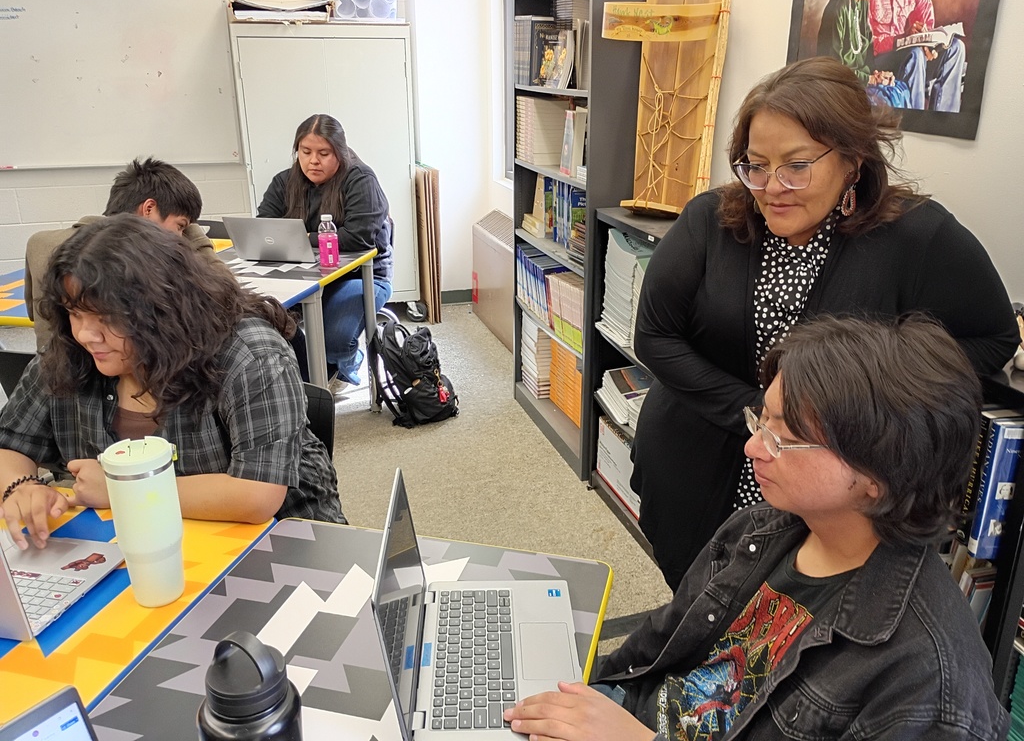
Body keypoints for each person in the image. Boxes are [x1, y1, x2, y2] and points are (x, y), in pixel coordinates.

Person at [506, 315, 1010, 740]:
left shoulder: (929, 684)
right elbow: (658, 643)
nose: (753, 448)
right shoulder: (760, 528)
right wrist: (574, 686)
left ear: (878, 476)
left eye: (783, 439)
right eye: (760, 421)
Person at [630, 56, 1018, 591]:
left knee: (798, 623)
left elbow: (994, 336)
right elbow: (655, 335)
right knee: (700, 600)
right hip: (701, 463)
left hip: (832, 489)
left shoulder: (917, 237)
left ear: (852, 162)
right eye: (756, 164)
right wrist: (755, 414)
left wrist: (877, 393)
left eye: (796, 165)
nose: (771, 187)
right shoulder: (710, 221)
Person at [0, 216, 344, 551]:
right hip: (139, 547)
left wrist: (125, 490)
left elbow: (257, 495)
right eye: (75, 313)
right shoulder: (69, 354)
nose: (87, 334)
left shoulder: (249, 353)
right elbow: (11, 444)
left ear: (162, 309)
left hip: (278, 548)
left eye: (107, 318)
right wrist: (21, 487)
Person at [24, 157, 216, 351]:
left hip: (46, 367)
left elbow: (35, 313)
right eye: (181, 226)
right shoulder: (142, 255)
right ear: (149, 209)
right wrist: (195, 235)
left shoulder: (39, 242)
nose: (179, 237)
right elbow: (222, 301)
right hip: (103, 369)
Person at [257, 113, 394, 386]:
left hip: (359, 276)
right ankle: (307, 375)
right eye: (305, 152)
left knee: (335, 341)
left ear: (339, 154)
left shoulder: (360, 179)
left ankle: (343, 363)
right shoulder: (284, 182)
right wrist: (309, 239)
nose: (313, 161)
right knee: (261, 319)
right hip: (301, 275)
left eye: (323, 153)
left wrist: (300, 237)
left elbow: (357, 239)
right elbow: (265, 230)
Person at [868, 0, 966, 112]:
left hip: (910, 51)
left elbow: (925, 23)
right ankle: (914, 122)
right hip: (880, 58)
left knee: (956, 47)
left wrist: (929, 45)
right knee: (915, 54)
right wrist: (902, 38)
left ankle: (943, 122)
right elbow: (866, 43)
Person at [816, 0, 911, 108]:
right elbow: (834, 68)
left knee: (901, 90)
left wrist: (876, 75)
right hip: (839, 86)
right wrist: (869, 79)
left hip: (861, 80)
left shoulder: (863, 1)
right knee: (888, 102)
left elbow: (867, 48)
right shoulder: (839, 6)